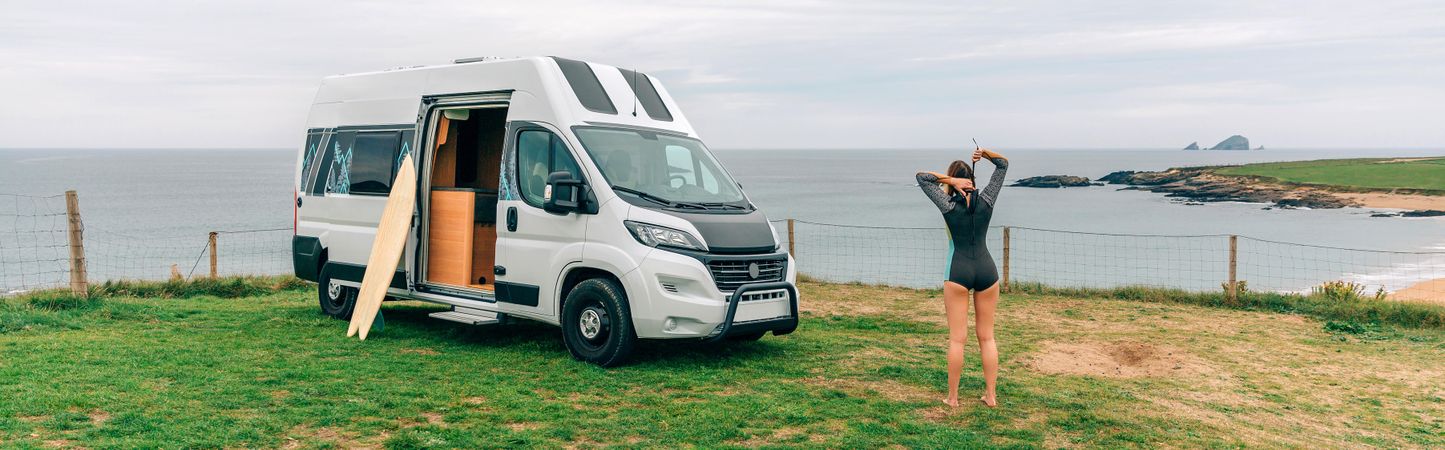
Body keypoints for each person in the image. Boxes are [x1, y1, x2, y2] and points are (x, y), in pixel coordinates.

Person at [915, 147, 1008, 408]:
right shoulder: (988, 198)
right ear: (973, 179)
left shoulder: (946, 204)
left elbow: (922, 177)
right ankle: (990, 396)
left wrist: (949, 181)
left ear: (955, 179)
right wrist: (985, 154)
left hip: (957, 271)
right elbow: (1003, 166)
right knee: (987, 337)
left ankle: (953, 398)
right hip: (987, 270)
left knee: (958, 339)